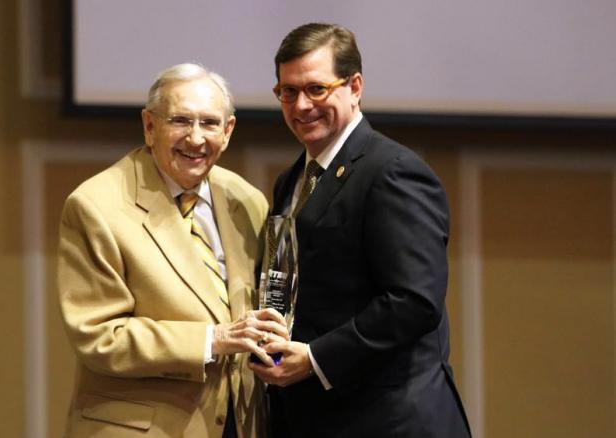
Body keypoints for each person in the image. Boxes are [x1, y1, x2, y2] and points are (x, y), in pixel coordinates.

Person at [249, 23, 472, 437]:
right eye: (287, 92)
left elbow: (414, 300)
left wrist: (316, 358)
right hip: (318, 418)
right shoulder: (291, 180)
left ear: (355, 86)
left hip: (391, 421)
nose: (300, 106)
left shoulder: (393, 171)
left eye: (316, 89)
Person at [57, 63, 288, 438]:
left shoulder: (247, 201)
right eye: (180, 120)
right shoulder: (94, 206)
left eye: (210, 123)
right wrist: (212, 340)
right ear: (150, 126)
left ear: (228, 132)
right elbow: (99, 336)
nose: (196, 139)